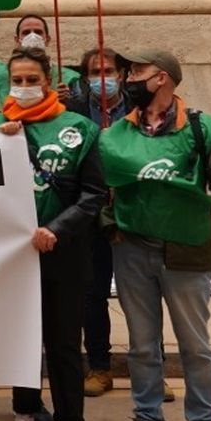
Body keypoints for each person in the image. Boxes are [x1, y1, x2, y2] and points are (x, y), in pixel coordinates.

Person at [101, 50, 211, 421]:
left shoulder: (203, 127)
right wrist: (113, 227)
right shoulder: (116, 132)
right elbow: (102, 188)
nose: (127, 79)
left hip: (186, 249)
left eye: (136, 72)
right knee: (143, 347)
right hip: (132, 251)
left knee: (195, 347)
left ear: (162, 78)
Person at [0, 48, 105, 421]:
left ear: (48, 81)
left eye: (33, 79)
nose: (25, 87)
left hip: (62, 257)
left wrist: (57, 230)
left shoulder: (80, 129)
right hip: (12, 259)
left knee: (64, 345)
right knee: (22, 344)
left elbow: (93, 195)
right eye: (18, 79)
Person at [66, 47, 130, 399]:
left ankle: (151, 368)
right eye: (93, 72)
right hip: (91, 216)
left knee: (143, 297)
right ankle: (100, 367)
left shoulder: (139, 110)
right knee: (93, 294)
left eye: (107, 70)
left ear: (121, 74)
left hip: (132, 213)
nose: (101, 77)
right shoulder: (74, 112)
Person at [0, 15, 80, 97]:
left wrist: (68, 102)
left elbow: (82, 109)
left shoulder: (66, 77)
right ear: (17, 40)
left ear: (47, 40)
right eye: (26, 32)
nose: (32, 36)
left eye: (38, 32)